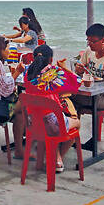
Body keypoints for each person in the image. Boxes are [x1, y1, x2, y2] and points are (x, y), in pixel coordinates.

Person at [24, 44, 81, 173]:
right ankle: (57, 157)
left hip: (33, 123)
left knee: (51, 120)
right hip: (52, 124)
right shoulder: (55, 73)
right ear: (50, 59)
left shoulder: (28, 73)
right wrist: (65, 69)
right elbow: (77, 83)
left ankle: (56, 157)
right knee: (76, 123)